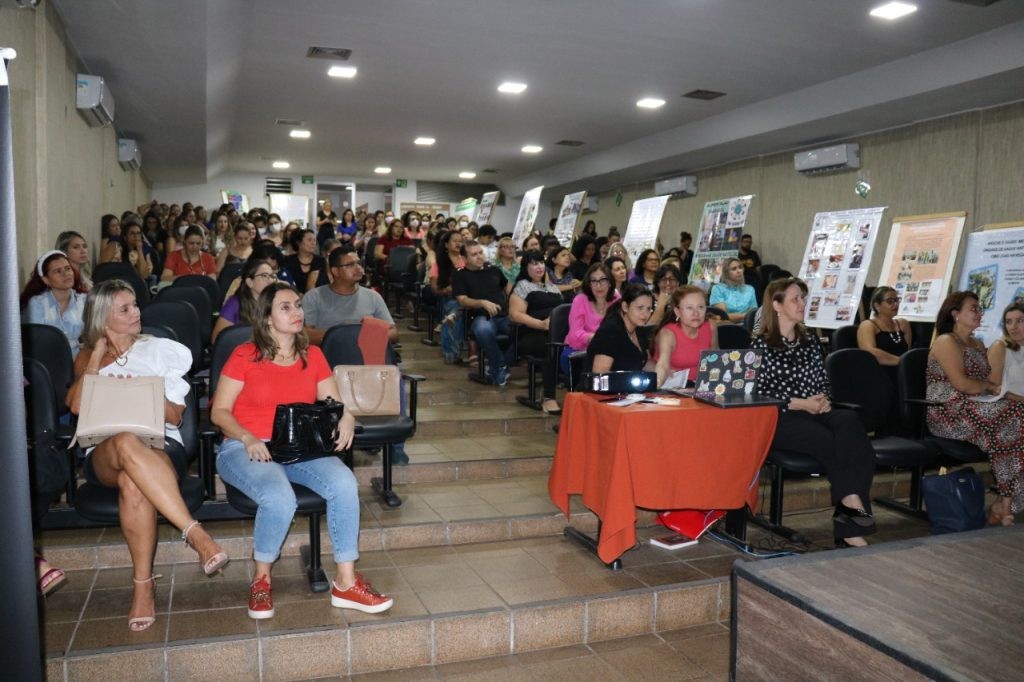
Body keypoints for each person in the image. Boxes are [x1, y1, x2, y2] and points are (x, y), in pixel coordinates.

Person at [211, 282, 392, 620]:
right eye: (286, 307)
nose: (297, 312)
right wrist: (248, 437)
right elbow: (219, 411)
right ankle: (262, 579)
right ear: (266, 318)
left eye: (298, 305)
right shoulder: (244, 355)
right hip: (245, 446)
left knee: (344, 483)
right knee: (280, 497)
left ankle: (346, 582)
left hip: (298, 447)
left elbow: (334, 402)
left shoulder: (314, 355)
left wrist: (347, 415)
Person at [66, 280, 228, 630]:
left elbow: (175, 416)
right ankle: (195, 533)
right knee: (124, 440)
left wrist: (134, 393)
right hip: (104, 450)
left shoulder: (159, 350)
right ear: (102, 317)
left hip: (159, 443)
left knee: (133, 484)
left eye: (135, 304)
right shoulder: (86, 356)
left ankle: (143, 588)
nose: (137, 312)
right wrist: (97, 355)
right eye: (124, 309)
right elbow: (78, 404)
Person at [752, 277, 877, 547]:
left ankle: (848, 506)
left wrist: (824, 400)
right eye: (795, 299)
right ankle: (851, 518)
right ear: (776, 305)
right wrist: (801, 403)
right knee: (831, 441)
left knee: (851, 422)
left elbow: (823, 379)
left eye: (803, 298)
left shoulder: (808, 340)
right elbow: (759, 394)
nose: (802, 304)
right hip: (781, 416)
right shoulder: (760, 345)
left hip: (814, 409)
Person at [927, 291, 1024, 526]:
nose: (980, 313)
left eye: (980, 309)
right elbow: (962, 384)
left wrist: (997, 392)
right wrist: (990, 389)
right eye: (974, 308)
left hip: (976, 407)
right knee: (1012, 419)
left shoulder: (978, 343)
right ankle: (1004, 502)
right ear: (956, 314)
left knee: (1016, 417)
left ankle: (1005, 501)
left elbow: (989, 386)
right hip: (948, 412)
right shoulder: (945, 341)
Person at [302, 246, 399, 346]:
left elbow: (393, 333)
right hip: (329, 356)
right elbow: (306, 335)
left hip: (366, 355)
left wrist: (368, 336)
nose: (358, 268)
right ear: (335, 271)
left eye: (359, 263)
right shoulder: (313, 297)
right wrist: (348, 335)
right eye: (350, 265)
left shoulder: (373, 297)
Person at [509, 250, 565, 414]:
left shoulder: (553, 287)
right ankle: (548, 398)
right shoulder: (522, 286)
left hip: (555, 333)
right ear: (525, 267)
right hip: (530, 334)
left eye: (541, 262)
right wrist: (541, 324)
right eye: (534, 263)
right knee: (551, 348)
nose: (539, 266)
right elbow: (515, 315)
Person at [453, 242, 513, 385]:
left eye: (480, 252)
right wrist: (482, 302)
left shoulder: (493, 269)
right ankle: (499, 366)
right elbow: (462, 300)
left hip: (504, 314)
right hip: (480, 316)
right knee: (483, 330)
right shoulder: (459, 274)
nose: (480, 257)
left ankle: (498, 367)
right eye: (474, 254)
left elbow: (507, 287)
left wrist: (514, 303)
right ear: (465, 258)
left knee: (524, 330)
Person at [21, 251, 87, 357]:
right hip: (45, 360)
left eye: (67, 268)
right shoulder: (37, 304)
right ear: (46, 280)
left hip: (77, 359)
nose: (65, 274)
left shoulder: (84, 301)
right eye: (57, 271)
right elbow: (35, 341)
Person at [653, 285, 718, 387]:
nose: (696, 313)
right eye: (689, 308)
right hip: (673, 389)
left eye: (700, 307)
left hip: (703, 387)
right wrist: (655, 385)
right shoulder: (668, 333)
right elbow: (663, 365)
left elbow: (716, 360)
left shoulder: (710, 327)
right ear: (677, 311)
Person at [562, 263, 618, 375]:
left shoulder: (617, 300)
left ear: (610, 283)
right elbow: (574, 335)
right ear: (589, 284)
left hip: (609, 351)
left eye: (603, 280)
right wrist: (597, 338)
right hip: (578, 351)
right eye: (594, 281)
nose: (599, 285)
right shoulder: (580, 300)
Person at [588, 283, 654, 373]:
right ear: (625, 307)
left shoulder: (638, 327)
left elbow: (646, 362)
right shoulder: (609, 332)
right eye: (640, 308)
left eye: (648, 309)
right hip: (607, 386)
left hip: (630, 384)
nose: (645, 314)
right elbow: (600, 374)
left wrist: (666, 374)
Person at [211, 259, 277, 343]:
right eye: (264, 275)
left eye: (272, 276)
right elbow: (216, 339)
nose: (270, 280)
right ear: (250, 282)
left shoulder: (277, 302)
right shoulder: (235, 303)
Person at [857, 286, 911, 376]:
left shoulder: (903, 324)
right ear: (877, 305)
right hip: (878, 373)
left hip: (903, 371)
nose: (896, 304)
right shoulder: (868, 325)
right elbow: (869, 352)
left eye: (897, 300)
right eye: (890, 301)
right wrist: (901, 361)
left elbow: (907, 351)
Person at [432, 230, 466, 364]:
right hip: (448, 298)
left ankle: (451, 354)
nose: (458, 243)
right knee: (456, 307)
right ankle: (452, 353)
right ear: (446, 244)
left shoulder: (467, 260)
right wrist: (448, 289)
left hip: (468, 297)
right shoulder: (439, 262)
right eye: (455, 241)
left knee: (457, 309)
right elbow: (435, 288)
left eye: (460, 241)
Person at [988, 302, 1024, 401]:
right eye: (1008, 322)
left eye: (1020, 320)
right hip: (1005, 405)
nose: (1013, 327)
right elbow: (992, 388)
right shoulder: (1000, 347)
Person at [710, 258, 757, 322]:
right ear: (726, 273)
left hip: (747, 325)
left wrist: (748, 316)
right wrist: (745, 315)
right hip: (727, 326)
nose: (739, 271)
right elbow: (723, 316)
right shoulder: (718, 289)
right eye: (734, 269)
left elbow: (753, 314)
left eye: (740, 267)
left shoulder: (750, 289)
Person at [282, 228, 327, 292]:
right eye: (309, 240)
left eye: (314, 240)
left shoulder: (321, 261)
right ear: (298, 242)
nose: (313, 243)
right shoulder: (288, 261)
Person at [122, 220, 158, 287]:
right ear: (125, 237)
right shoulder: (119, 250)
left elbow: (144, 275)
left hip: (140, 284)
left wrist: (139, 250)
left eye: (138, 233)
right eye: (132, 233)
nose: (136, 236)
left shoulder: (144, 249)